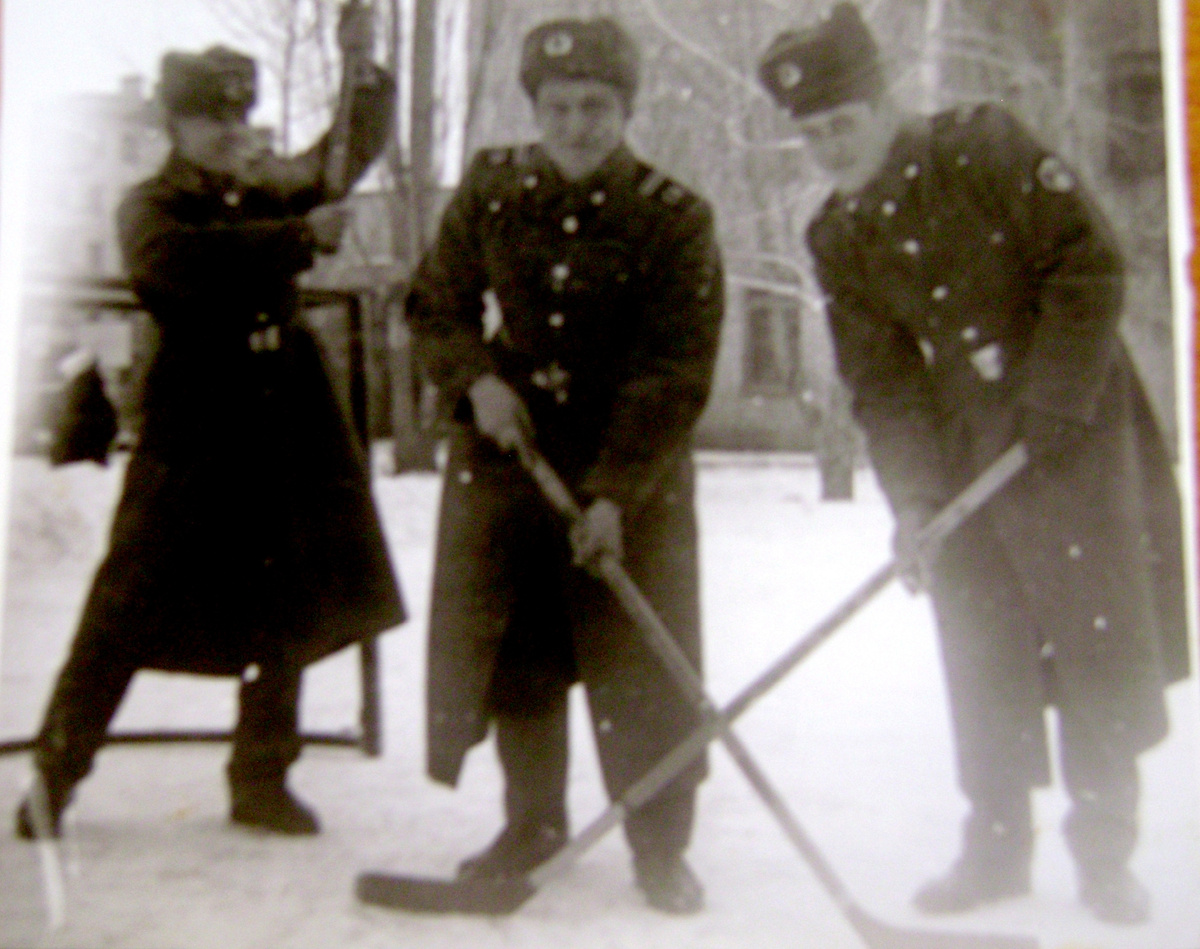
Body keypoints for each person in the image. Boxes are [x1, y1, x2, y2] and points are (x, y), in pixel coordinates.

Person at [758, 2, 1188, 926]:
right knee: (981, 645)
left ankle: (1106, 855)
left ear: (883, 105)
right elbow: (882, 380)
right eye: (814, 133)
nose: (832, 147)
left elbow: (1091, 266)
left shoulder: (983, 146)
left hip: (1073, 427)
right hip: (962, 457)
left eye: (844, 122)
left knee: (1093, 640)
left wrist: (1052, 400)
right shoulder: (838, 234)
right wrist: (914, 499)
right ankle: (994, 851)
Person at [15, 23, 405, 840]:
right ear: (174, 126)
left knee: (285, 597)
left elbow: (344, 153)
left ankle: (263, 777)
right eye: (209, 119)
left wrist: (363, 71)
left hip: (284, 416)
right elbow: (177, 264)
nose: (231, 133)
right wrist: (299, 236)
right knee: (126, 599)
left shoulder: (265, 190)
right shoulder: (151, 206)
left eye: (239, 118)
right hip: (195, 424)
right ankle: (56, 773)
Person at [405, 17, 724, 914]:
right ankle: (533, 821)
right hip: (513, 463)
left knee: (645, 664)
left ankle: (662, 846)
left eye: (596, 107)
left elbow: (675, 369)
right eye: (559, 106)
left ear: (625, 110)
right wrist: (475, 382)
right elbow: (435, 303)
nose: (577, 124)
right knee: (519, 655)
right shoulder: (492, 191)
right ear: (535, 108)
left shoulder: (673, 218)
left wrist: (616, 492)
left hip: (636, 471)